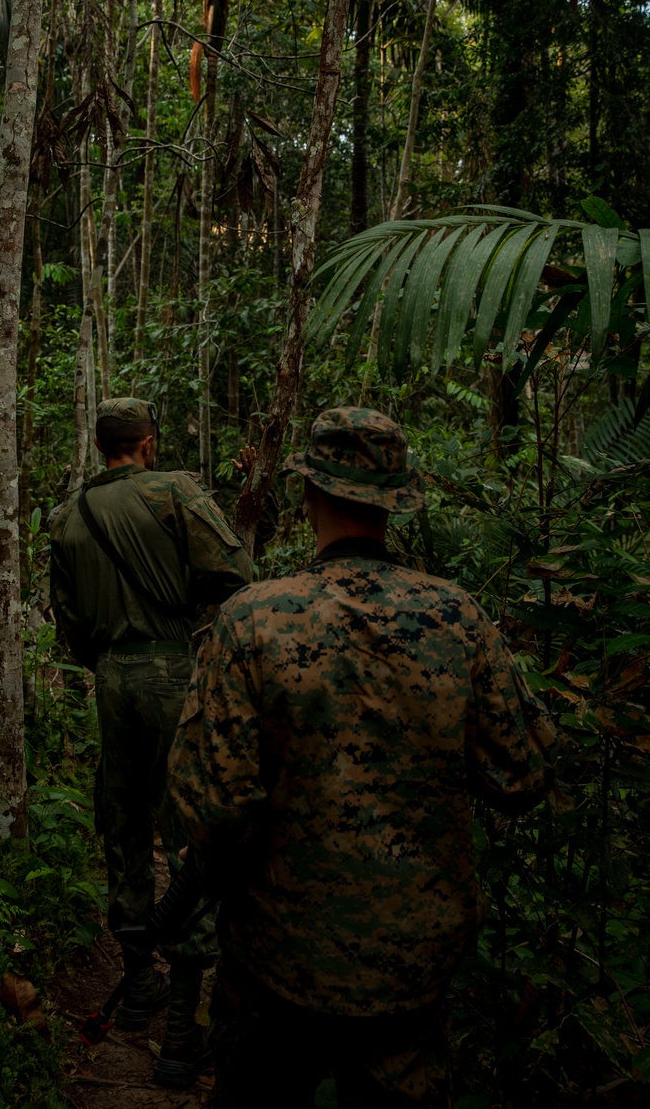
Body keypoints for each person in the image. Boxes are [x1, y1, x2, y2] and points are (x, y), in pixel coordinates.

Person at [168, 407, 557, 1108]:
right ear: (396, 505)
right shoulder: (458, 618)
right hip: (414, 964)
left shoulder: (253, 618)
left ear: (308, 495)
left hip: (276, 959)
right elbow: (523, 774)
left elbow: (218, 806)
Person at [50, 396, 256, 1088]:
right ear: (146, 442)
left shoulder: (67, 516)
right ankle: (180, 1033)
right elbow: (235, 576)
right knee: (190, 835)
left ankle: (140, 984)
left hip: (109, 678)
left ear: (102, 444)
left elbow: (70, 626)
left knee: (125, 826)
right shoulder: (176, 491)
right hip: (174, 668)